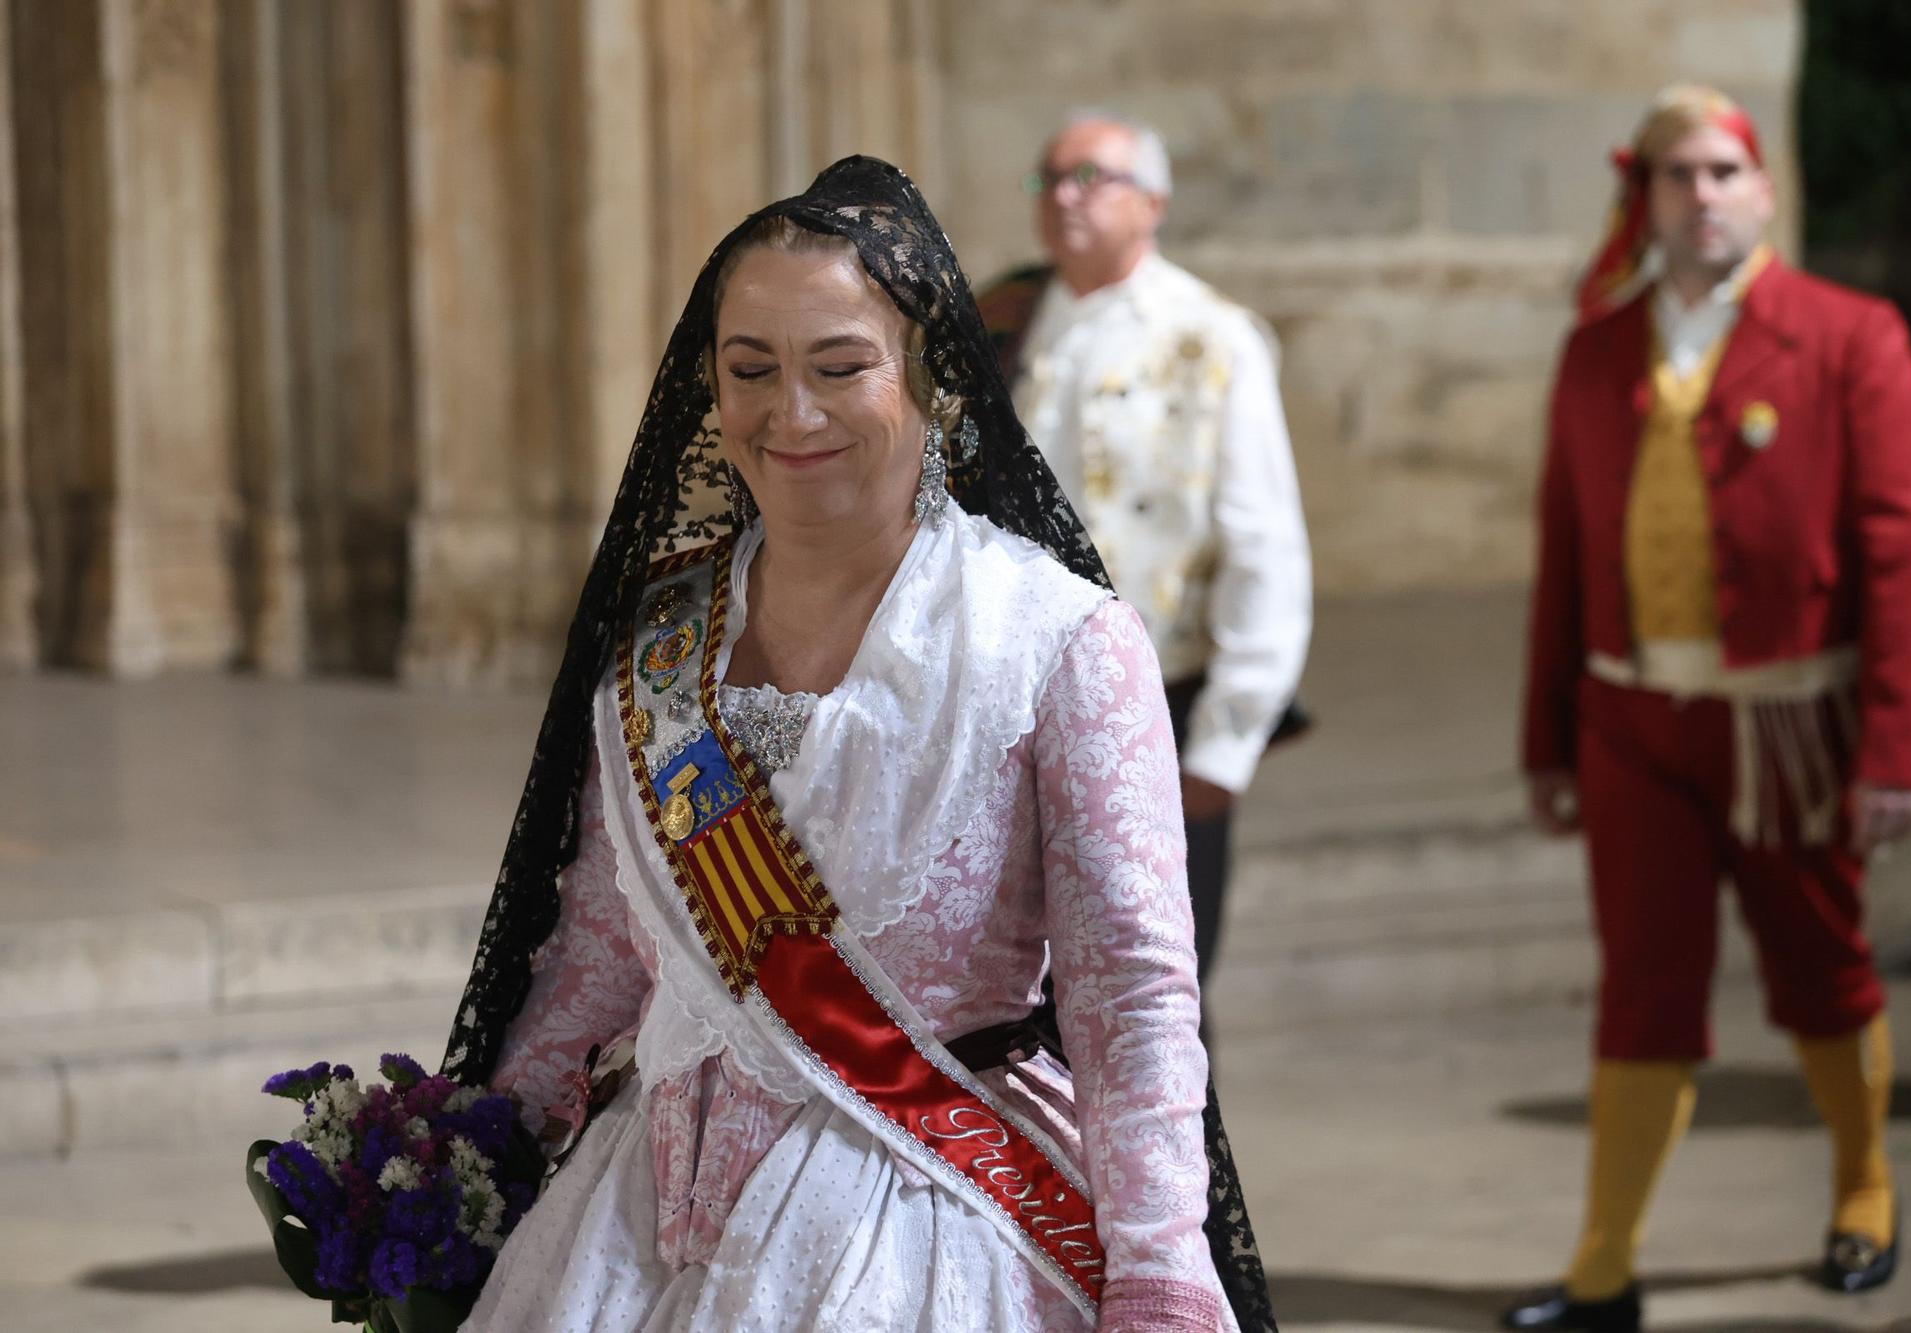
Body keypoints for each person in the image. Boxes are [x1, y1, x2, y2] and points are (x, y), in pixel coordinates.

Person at [442, 157, 1276, 1332]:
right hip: (633, 1220)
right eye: (750, 370)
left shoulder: (1056, 641)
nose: (791, 413)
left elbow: (1130, 994)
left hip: (927, 1210)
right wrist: (464, 1166)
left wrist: (1157, 1269)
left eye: (840, 367)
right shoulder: (659, 641)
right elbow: (596, 953)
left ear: (932, 380)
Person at [1504, 86, 1911, 1332]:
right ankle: (1601, 1268)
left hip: (1787, 717)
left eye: (1719, 172)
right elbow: (1563, 551)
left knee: (1818, 966)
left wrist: (1894, 748)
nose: (1697, 196)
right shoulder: (1597, 347)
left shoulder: (1849, 335)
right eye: (1672, 176)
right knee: (1642, 986)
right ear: (1639, 199)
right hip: (1631, 719)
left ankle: (1863, 1183)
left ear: (1760, 190)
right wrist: (1546, 738)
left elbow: (1901, 549)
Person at [977, 113, 1312, 999]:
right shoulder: (1001, 317)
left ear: (1153, 203)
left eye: (1093, 176)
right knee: (1014, 992)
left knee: (1152, 990)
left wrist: (1227, 743)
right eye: (1050, 178)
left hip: (1156, 706)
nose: (1064, 196)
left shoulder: (1211, 334)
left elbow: (1262, 542)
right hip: (1009, 702)